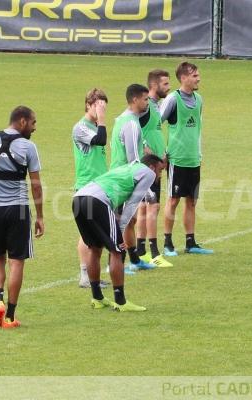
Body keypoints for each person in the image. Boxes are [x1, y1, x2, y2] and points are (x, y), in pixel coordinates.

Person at [0, 106, 44, 329]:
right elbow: (35, 185)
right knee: (16, 261)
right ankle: (10, 316)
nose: (34, 128)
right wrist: (40, 216)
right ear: (22, 121)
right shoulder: (28, 147)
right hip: (18, 210)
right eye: (33, 123)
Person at [72, 154, 165, 312]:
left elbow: (114, 189)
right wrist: (120, 228)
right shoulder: (148, 173)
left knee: (94, 248)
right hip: (97, 201)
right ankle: (120, 302)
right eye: (160, 170)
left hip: (78, 198)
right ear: (152, 167)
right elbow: (133, 202)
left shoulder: (128, 168)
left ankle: (97, 298)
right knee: (118, 250)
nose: (160, 174)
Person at [160, 61, 213, 256]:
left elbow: (197, 129)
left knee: (191, 201)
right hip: (177, 158)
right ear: (183, 78)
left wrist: (199, 152)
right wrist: (161, 151)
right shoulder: (173, 99)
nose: (198, 78)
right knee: (173, 200)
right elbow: (157, 123)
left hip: (193, 159)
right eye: (194, 75)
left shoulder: (199, 99)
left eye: (198, 75)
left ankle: (191, 242)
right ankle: (167, 242)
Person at [110, 84, 155, 272]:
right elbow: (133, 160)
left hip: (119, 177)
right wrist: (147, 188)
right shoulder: (130, 124)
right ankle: (113, 263)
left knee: (129, 221)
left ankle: (134, 259)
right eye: (145, 99)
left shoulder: (124, 119)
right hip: (122, 180)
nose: (148, 103)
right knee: (120, 221)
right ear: (135, 100)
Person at [72, 88, 110, 288]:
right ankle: (84, 275)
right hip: (86, 187)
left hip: (101, 186)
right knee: (86, 234)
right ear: (88, 105)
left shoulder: (97, 126)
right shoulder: (81, 127)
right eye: (97, 105)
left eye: (103, 106)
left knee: (99, 233)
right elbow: (100, 140)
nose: (101, 110)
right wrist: (102, 119)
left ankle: (93, 274)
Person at [136, 69, 174, 268]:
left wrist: (163, 153)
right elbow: (133, 126)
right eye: (165, 84)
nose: (168, 87)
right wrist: (144, 147)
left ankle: (140, 251)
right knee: (153, 207)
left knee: (144, 207)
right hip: (147, 165)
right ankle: (154, 253)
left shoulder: (155, 106)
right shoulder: (146, 106)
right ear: (154, 86)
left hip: (155, 163)